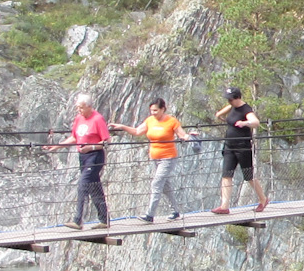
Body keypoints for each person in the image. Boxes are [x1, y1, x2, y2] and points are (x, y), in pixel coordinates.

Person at [116, 98, 194, 223]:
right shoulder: (149, 121)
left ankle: (149, 215)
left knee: (157, 183)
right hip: (155, 158)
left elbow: (181, 134)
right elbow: (137, 131)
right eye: (151, 110)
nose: (153, 113)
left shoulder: (171, 121)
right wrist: (122, 127)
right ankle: (175, 211)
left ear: (163, 109)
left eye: (156, 110)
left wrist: (188, 137)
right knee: (165, 185)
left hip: (168, 157)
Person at [47, 94, 111, 228]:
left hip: (95, 155)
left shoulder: (98, 119)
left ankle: (78, 220)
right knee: (94, 187)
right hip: (82, 157)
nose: (79, 110)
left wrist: (91, 147)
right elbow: (75, 138)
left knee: (83, 183)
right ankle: (104, 219)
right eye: (78, 108)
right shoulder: (78, 119)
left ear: (89, 106)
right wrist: (57, 147)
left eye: (81, 108)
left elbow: (106, 141)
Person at [212, 86, 269, 214]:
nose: (229, 102)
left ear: (237, 98)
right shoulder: (232, 107)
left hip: (243, 147)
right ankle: (224, 206)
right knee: (226, 174)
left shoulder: (246, 109)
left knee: (248, 176)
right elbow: (223, 112)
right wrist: (220, 115)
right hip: (229, 146)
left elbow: (255, 122)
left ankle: (263, 199)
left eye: (230, 99)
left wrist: (245, 123)